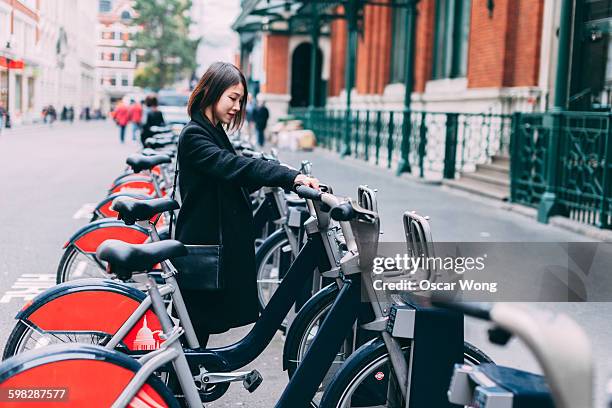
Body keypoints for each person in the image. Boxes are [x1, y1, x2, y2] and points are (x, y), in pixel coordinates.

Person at [175, 61, 319, 345]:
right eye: (232, 98)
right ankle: (178, 388)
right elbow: (232, 167)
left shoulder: (212, 130)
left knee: (194, 336)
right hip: (204, 247)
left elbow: (234, 176)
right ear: (211, 91)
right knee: (192, 335)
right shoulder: (195, 134)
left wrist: (268, 170)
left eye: (240, 101)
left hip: (210, 245)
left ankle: (184, 386)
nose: (237, 107)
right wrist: (289, 177)